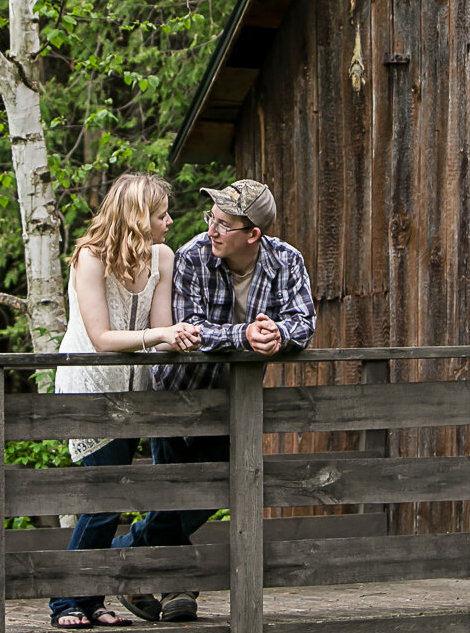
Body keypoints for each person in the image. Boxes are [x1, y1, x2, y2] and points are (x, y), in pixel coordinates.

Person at [116, 178, 314, 623]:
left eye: (224, 224)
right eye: (212, 219)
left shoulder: (285, 260)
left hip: (233, 399)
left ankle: (125, 552)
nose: (212, 230)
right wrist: (244, 335)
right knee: (174, 489)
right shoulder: (190, 256)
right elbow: (190, 329)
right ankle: (178, 588)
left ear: (253, 234)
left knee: (218, 487)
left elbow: (304, 320)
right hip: (176, 391)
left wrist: (279, 334)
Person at [49, 173, 201, 629]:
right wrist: (162, 334)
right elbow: (100, 339)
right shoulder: (89, 258)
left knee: (113, 497)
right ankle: (64, 603)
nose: (169, 222)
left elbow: (160, 332)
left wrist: (189, 336)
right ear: (137, 219)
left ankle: (91, 602)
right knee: (104, 498)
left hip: (134, 389)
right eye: (160, 215)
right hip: (90, 384)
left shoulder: (162, 257)